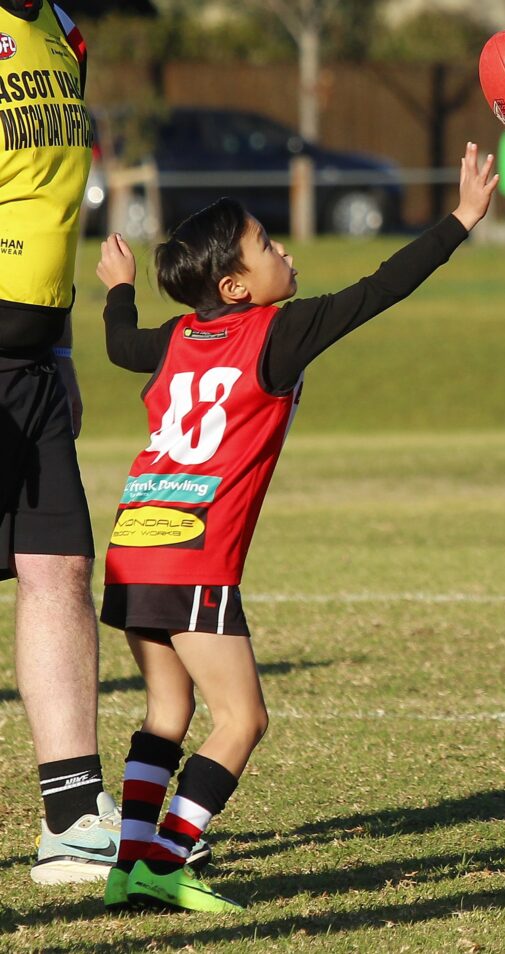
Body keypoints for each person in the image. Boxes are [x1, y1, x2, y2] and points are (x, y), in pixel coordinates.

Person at [94, 143, 498, 911]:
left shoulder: (176, 338)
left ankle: (130, 863)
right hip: (192, 555)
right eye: (266, 244)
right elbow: (382, 289)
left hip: (135, 541)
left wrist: (119, 289)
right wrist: (461, 218)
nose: (283, 249)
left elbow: (120, 346)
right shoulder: (276, 333)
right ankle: (165, 862)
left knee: (167, 714)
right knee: (243, 719)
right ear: (236, 286)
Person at [0, 0, 120, 884]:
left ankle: (73, 818)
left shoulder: (64, 31)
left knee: (60, 565)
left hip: (33, 355)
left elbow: (57, 205)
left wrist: (65, 348)